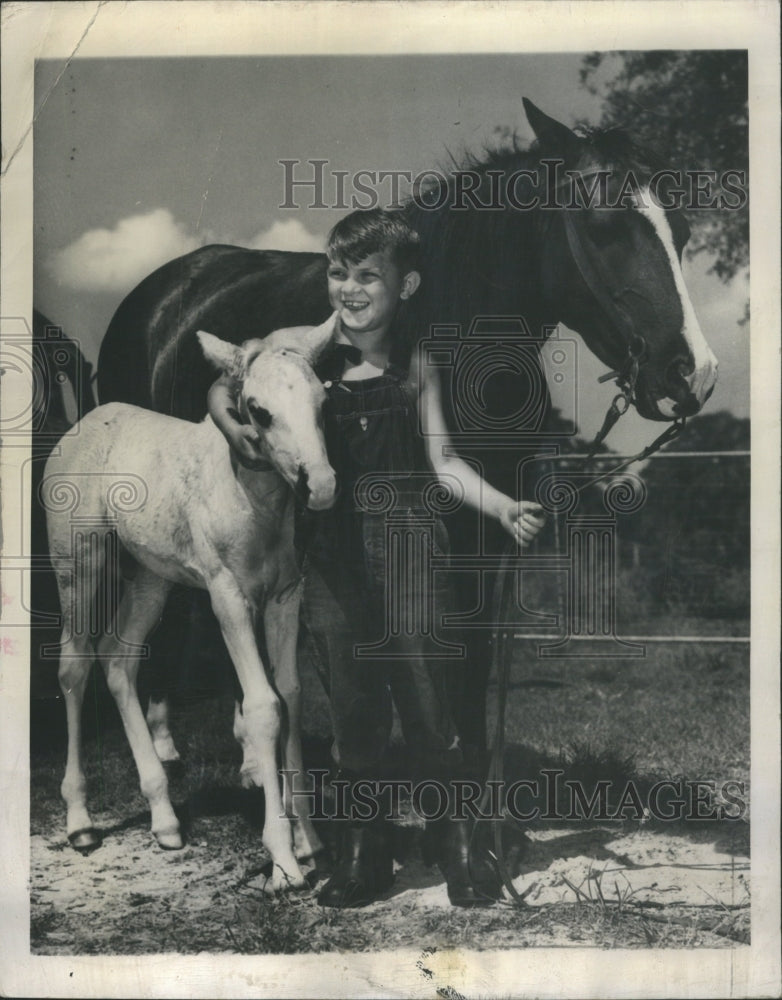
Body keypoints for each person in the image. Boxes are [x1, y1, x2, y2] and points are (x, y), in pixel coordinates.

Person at [208, 208, 545, 907]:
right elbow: (228, 379)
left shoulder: (419, 360)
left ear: (407, 283)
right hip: (330, 549)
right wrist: (226, 419)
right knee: (352, 690)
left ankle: (455, 837)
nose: (350, 289)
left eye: (369, 275)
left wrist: (502, 506)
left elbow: (446, 462)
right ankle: (366, 842)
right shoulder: (306, 353)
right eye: (338, 273)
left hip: (413, 540)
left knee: (425, 681)